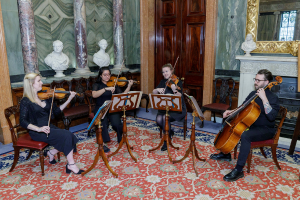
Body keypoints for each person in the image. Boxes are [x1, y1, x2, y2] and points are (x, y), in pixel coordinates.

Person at [210, 69, 280, 182]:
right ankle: (225, 152)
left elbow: (271, 117)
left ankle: (238, 170)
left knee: (245, 135)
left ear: (266, 82)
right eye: (255, 79)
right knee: (228, 121)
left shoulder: (273, 98)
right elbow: (242, 107)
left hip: (266, 129)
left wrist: (264, 98)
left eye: (258, 80)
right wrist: (231, 112)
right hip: (251, 124)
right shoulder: (253, 94)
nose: (255, 82)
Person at [19, 73, 84, 175]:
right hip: (37, 131)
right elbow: (22, 121)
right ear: (31, 84)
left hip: (49, 127)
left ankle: (51, 152)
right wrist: (38, 129)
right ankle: (71, 165)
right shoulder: (26, 101)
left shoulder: (47, 96)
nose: (42, 83)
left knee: (69, 135)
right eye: (39, 81)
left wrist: (69, 99)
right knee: (67, 135)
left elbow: (56, 112)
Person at [92, 67, 133, 152]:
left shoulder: (114, 84)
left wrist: (129, 86)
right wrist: (105, 89)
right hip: (101, 107)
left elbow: (123, 95)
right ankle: (102, 143)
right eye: (105, 75)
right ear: (101, 75)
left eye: (109, 74)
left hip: (111, 107)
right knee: (102, 123)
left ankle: (120, 137)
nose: (107, 77)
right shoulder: (97, 85)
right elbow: (94, 95)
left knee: (117, 123)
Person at [153, 63, 187, 151]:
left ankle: (166, 140)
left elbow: (180, 96)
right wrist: (157, 90)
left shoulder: (177, 81)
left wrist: (174, 90)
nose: (165, 73)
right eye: (163, 72)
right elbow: (154, 92)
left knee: (165, 118)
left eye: (166, 71)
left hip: (176, 109)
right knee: (158, 120)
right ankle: (170, 132)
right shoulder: (162, 82)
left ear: (171, 71)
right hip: (165, 108)